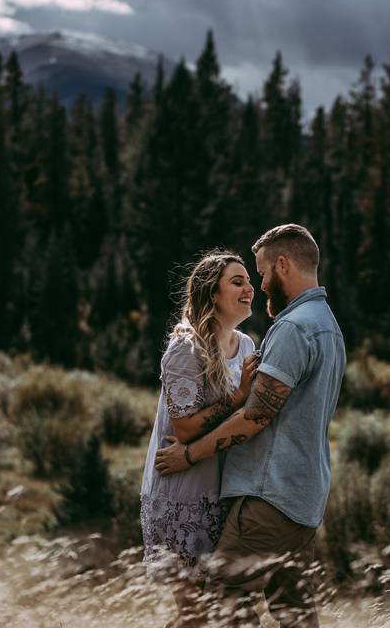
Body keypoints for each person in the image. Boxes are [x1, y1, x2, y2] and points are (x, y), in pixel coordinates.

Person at [155, 224, 346, 628]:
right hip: (304, 498)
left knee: (223, 608)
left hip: (268, 497)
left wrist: (188, 454)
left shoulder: (293, 328)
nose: (260, 285)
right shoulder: (327, 324)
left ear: (282, 265)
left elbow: (257, 415)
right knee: (294, 614)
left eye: (260, 273)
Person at [139, 250, 260, 628]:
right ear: (212, 294)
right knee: (194, 612)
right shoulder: (185, 348)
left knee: (221, 611)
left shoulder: (247, 347)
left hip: (226, 488)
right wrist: (237, 398)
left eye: (249, 281)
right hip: (184, 492)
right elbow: (185, 428)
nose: (249, 289)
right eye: (237, 282)